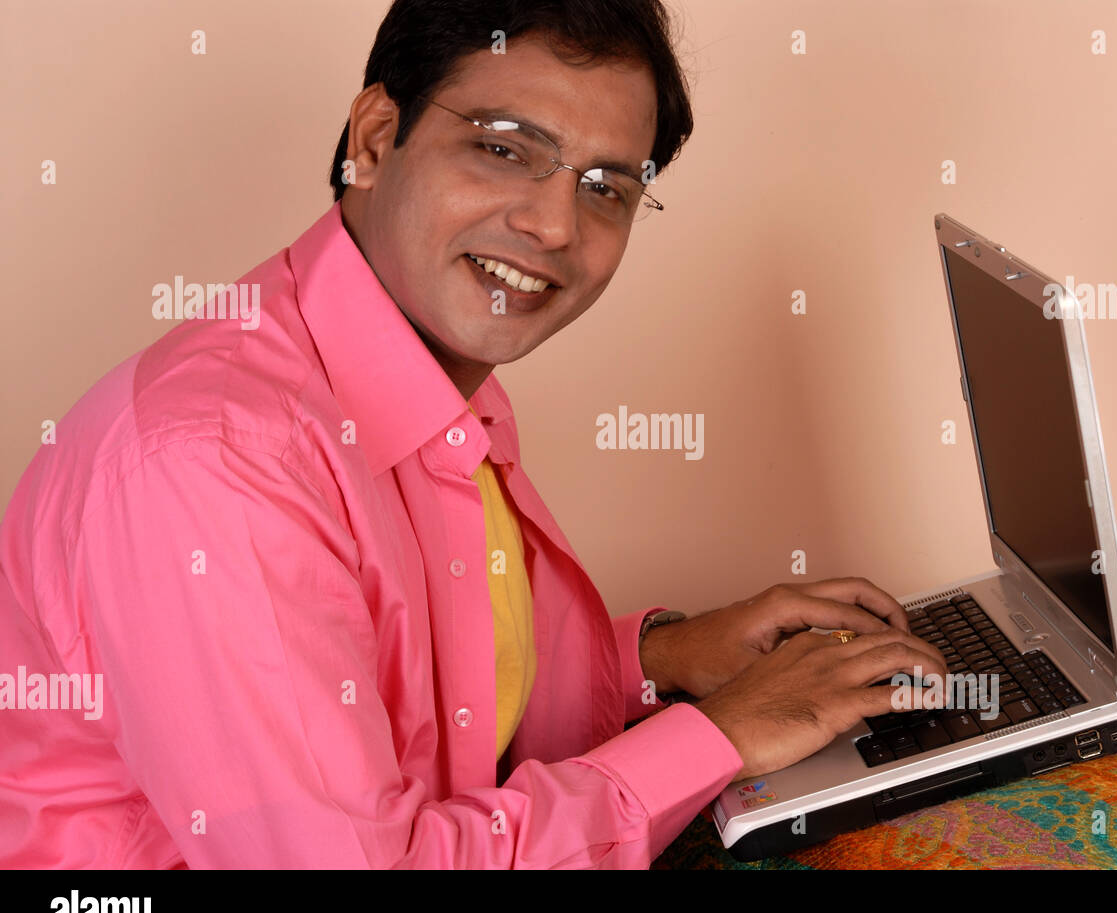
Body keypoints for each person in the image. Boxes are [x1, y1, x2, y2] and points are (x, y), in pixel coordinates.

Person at [0, 0, 943, 868]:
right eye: (502, 148)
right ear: (376, 137)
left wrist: (661, 662)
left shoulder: (421, 371)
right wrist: (724, 733)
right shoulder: (216, 462)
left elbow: (443, 708)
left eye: (607, 186)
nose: (553, 224)